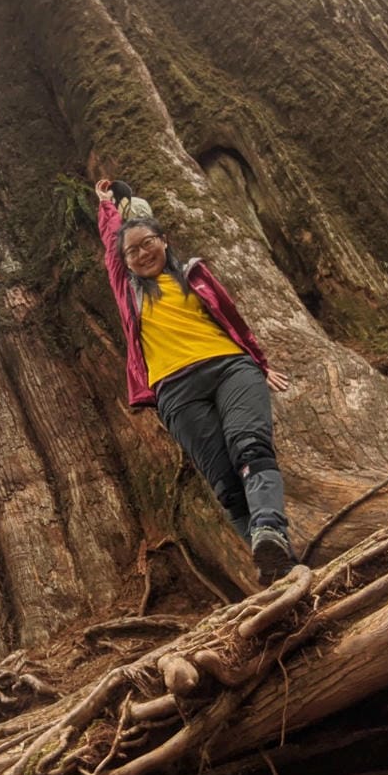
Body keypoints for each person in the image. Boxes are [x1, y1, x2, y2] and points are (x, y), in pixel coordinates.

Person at [95, 179, 295, 584]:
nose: (141, 253)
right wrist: (107, 206)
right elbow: (112, 242)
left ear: (164, 240)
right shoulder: (128, 289)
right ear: (125, 261)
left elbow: (233, 320)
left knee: (250, 446)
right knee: (223, 482)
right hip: (174, 390)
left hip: (229, 367)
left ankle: (270, 528)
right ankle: (277, 568)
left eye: (147, 243)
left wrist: (260, 362)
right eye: (132, 251)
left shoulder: (193, 276)